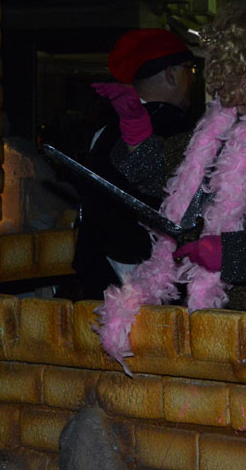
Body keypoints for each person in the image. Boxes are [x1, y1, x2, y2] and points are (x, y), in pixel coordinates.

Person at [92, 7, 246, 368]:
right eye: (220, 65)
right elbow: (155, 175)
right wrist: (133, 124)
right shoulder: (215, 128)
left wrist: (229, 253)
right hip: (216, 324)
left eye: (235, 66)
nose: (219, 79)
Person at [72, 29, 197, 299]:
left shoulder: (103, 129)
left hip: (101, 279)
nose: (192, 80)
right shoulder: (175, 127)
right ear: (172, 74)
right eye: (190, 70)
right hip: (157, 285)